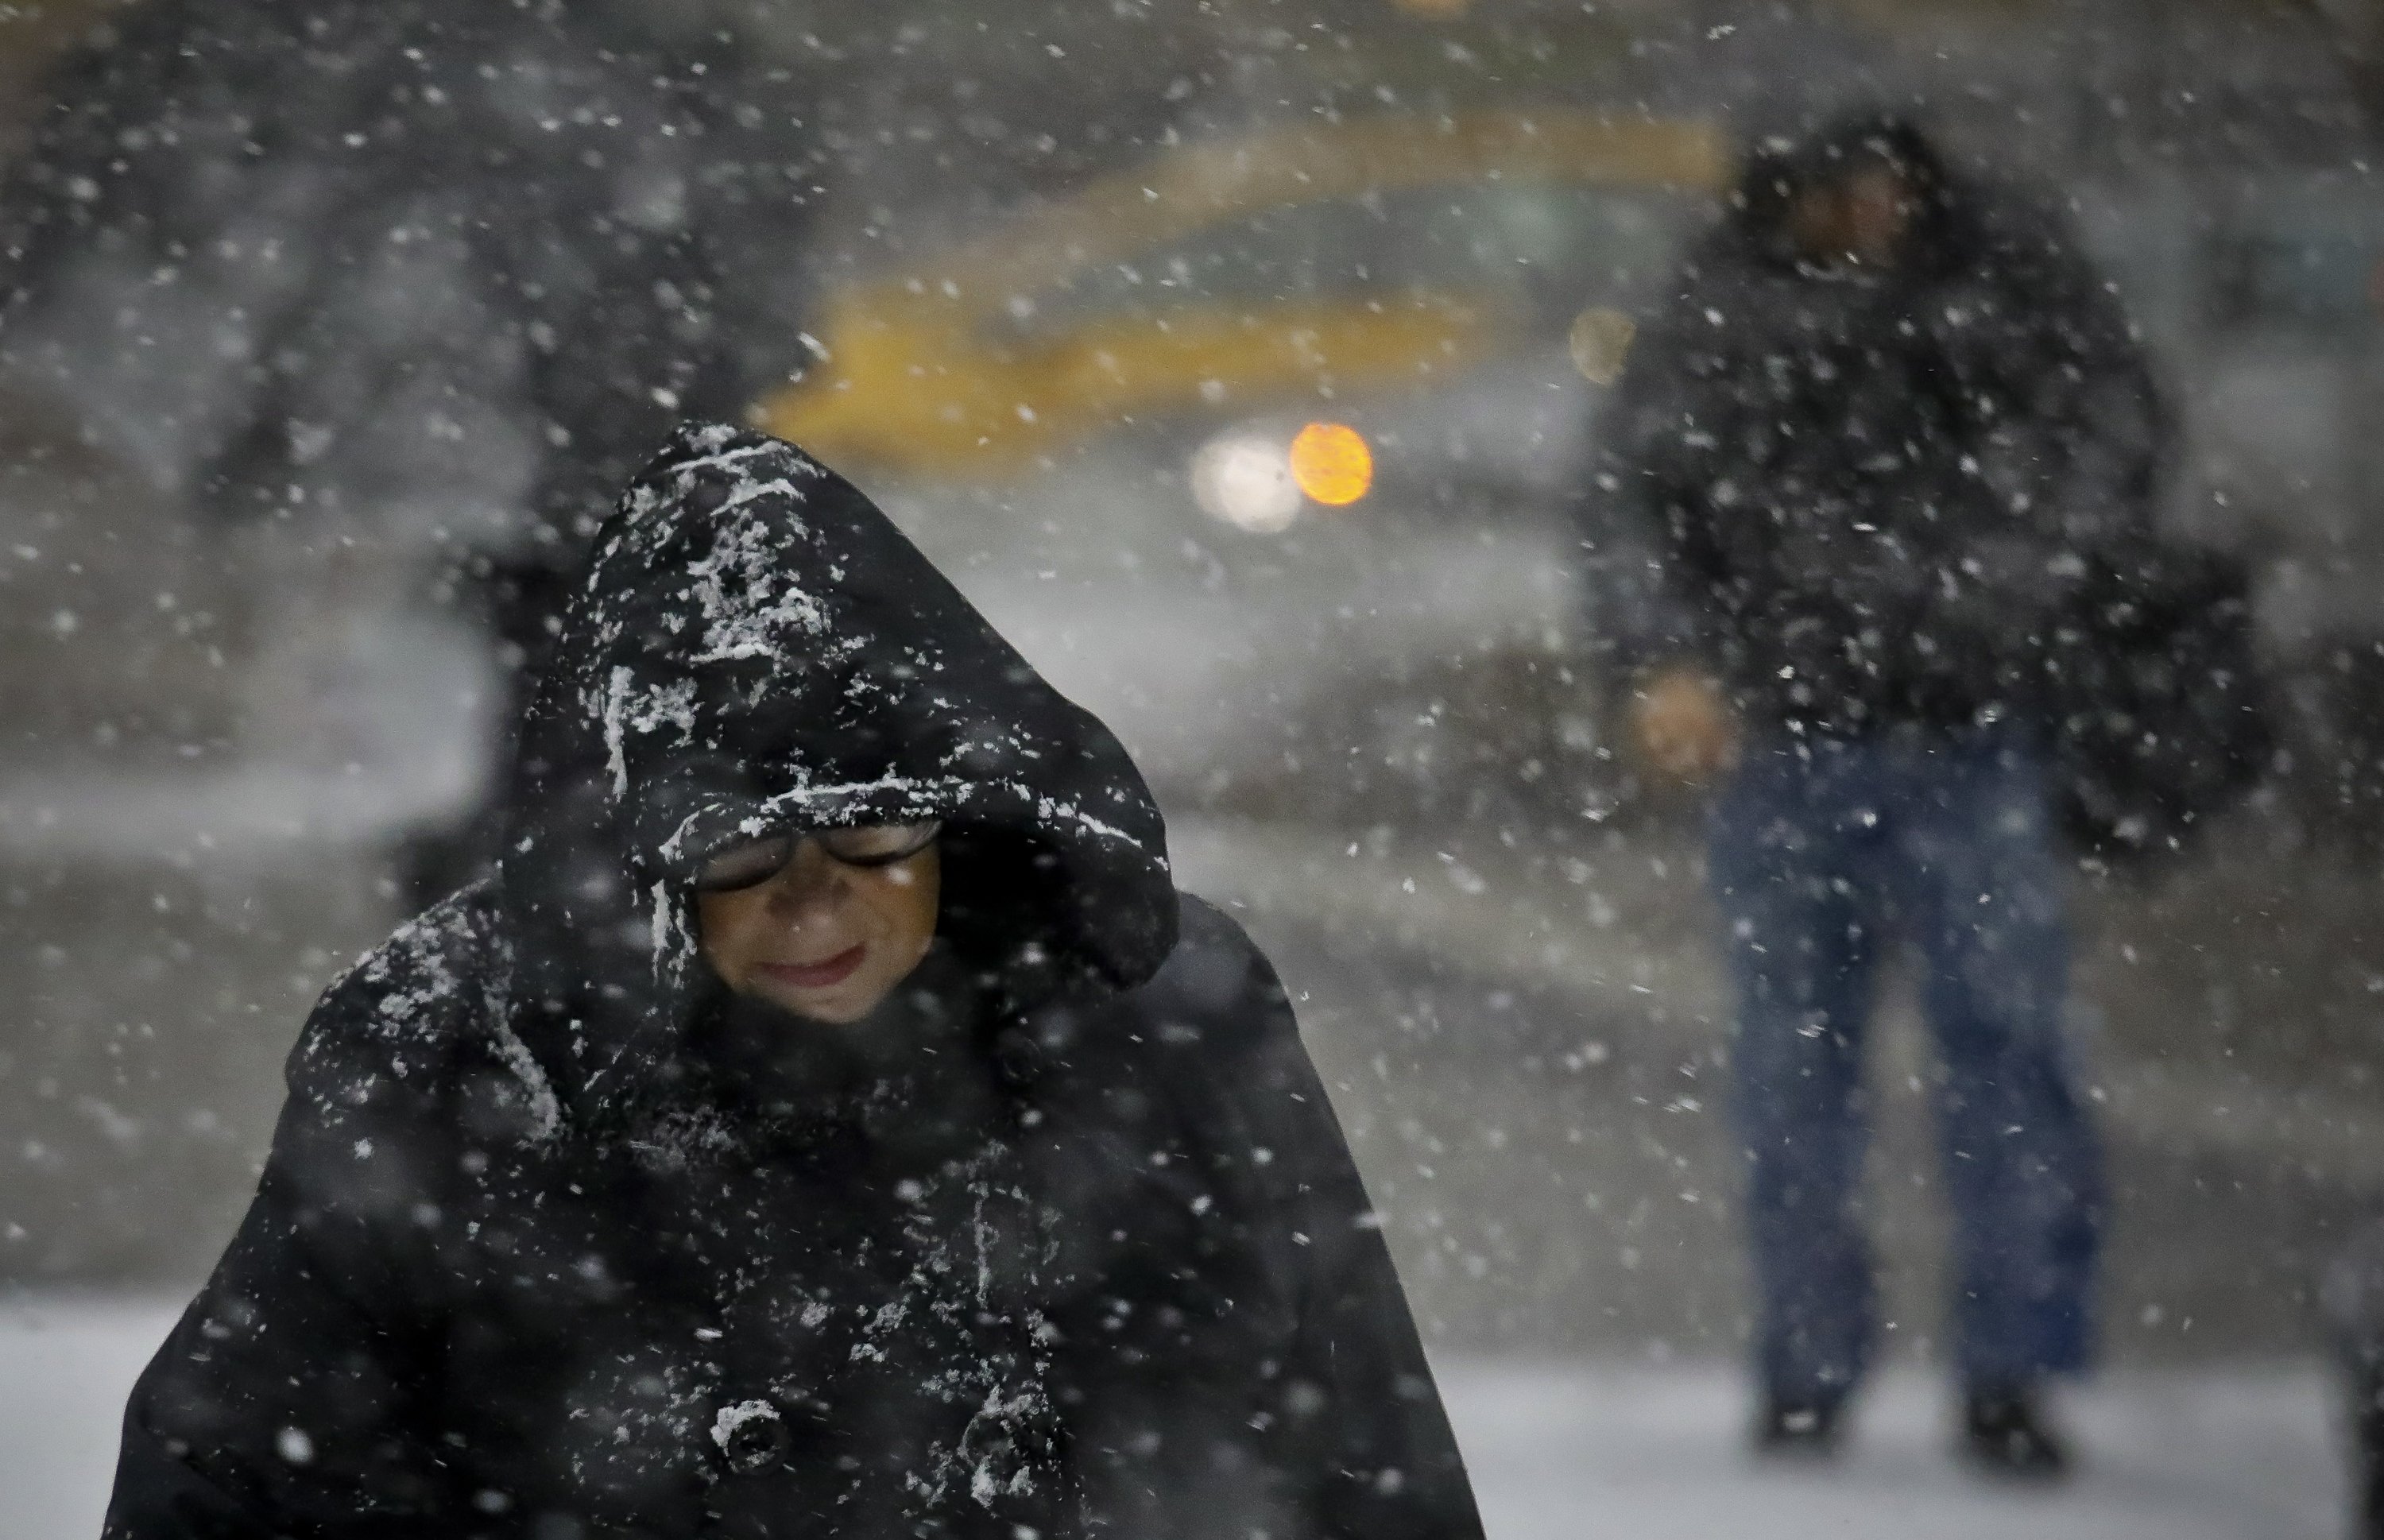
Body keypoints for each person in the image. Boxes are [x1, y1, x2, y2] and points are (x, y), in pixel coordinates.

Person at [102, 424, 1485, 1540]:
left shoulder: (1152, 1009)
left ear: (957, 808)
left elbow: (1356, 1445)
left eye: (875, 830)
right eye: (739, 845)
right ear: (638, 851)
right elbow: (239, 1466)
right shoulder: (455, 1046)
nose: (813, 898)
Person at [1597, 114, 2168, 1474]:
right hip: (1792, 743)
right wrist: (1663, 654)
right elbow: (1632, 498)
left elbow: (2104, 453)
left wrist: (2006, 596)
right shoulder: (1725, 312)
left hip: (1964, 736)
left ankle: (2007, 1367)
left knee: (2001, 1063)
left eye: (1875, 187)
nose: (1859, 215)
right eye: (1829, 191)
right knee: (1803, 1070)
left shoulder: (2000, 294)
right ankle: (1811, 1361)